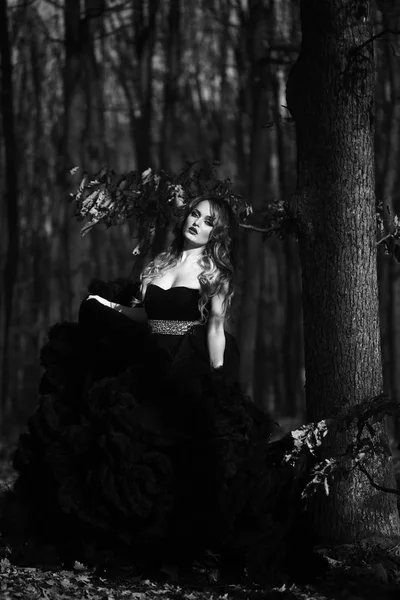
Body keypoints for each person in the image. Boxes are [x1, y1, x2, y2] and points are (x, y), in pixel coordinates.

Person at [2, 194, 277, 578]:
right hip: (148, 354)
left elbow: (215, 328)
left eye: (208, 221)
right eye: (194, 214)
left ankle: (170, 542)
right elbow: (145, 316)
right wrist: (108, 306)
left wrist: (218, 379)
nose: (196, 222)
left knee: (170, 441)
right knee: (117, 433)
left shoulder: (215, 273)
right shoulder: (160, 263)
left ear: (217, 233)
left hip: (185, 358)